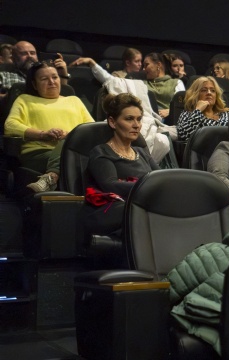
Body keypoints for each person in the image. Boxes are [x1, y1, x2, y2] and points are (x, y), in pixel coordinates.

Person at [4, 61, 94, 192]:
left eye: (55, 77)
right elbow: (10, 126)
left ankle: (50, 177)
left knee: (70, 143)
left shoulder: (74, 100)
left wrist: (69, 136)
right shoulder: (24, 99)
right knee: (71, 149)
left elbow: (91, 128)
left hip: (75, 152)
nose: (51, 82)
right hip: (39, 153)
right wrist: (43, 135)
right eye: (44, 79)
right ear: (34, 84)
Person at [84, 93, 159, 235]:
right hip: (113, 212)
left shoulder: (142, 152)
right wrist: (150, 186)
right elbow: (110, 184)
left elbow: (160, 178)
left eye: (139, 119)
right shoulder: (101, 152)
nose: (136, 125)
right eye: (129, 119)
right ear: (112, 122)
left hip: (144, 207)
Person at [72, 54, 185, 119]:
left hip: (169, 119)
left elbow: (181, 107)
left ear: (158, 65)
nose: (144, 69)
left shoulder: (176, 83)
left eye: (147, 65)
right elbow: (112, 80)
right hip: (145, 118)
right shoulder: (141, 83)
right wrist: (93, 64)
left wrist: (170, 111)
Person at [0, 41, 70, 96]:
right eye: (24, 54)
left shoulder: (47, 74)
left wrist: (63, 74)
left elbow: (62, 96)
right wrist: (10, 97)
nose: (30, 56)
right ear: (13, 58)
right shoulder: (3, 75)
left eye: (32, 53)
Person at [176, 76, 229, 141]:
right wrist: (198, 110)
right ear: (195, 94)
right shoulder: (188, 114)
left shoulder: (226, 114)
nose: (209, 93)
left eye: (213, 90)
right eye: (204, 90)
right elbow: (184, 134)